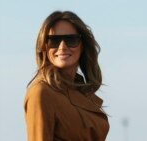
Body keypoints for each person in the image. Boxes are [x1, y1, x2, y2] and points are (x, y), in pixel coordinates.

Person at [24, 11, 109, 141]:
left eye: (71, 40)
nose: (62, 47)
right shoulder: (41, 92)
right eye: (54, 41)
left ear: (82, 46)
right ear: (44, 47)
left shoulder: (81, 91)